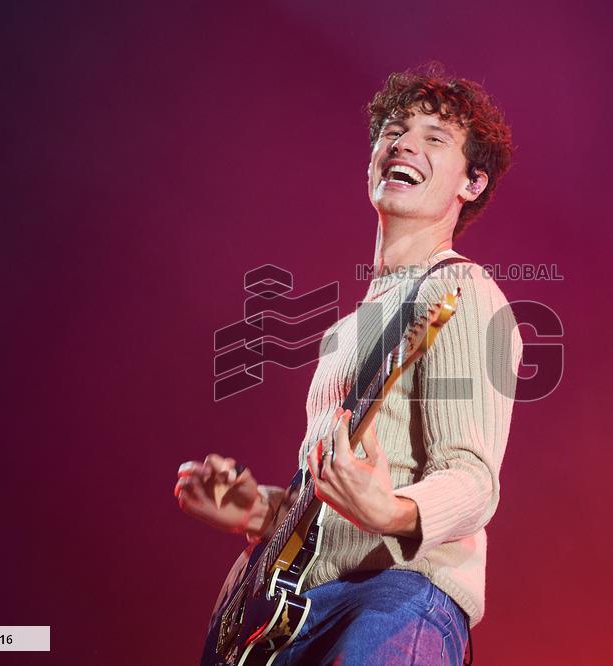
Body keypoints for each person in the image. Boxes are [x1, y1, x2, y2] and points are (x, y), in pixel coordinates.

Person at [175, 64, 522, 665]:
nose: (404, 143)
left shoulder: (465, 292)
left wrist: (392, 511)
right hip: (301, 613)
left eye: (434, 138)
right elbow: (332, 504)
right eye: (393, 130)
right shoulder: (346, 330)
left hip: (398, 601)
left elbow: (473, 480)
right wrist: (259, 510)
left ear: (472, 182)